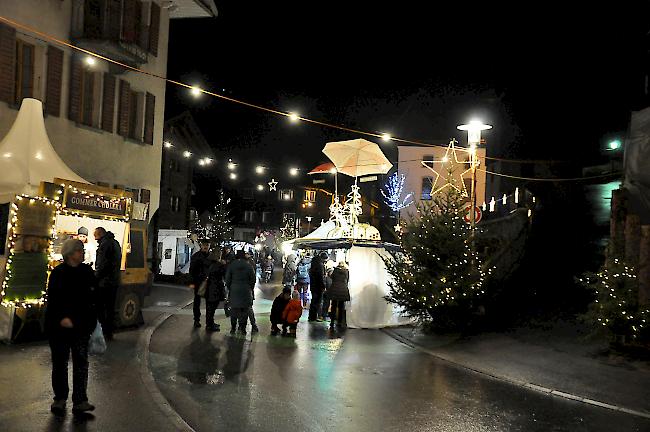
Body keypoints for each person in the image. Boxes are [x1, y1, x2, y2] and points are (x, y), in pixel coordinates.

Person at [46, 239, 97, 415]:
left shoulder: (87, 271)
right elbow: (53, 299)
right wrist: (62, 317)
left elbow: (93, 297)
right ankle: (60, 398)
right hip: (60, 327)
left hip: (81, 326)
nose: (82, 253)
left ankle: (80, 400)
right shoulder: (58, 273)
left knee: (81, 363)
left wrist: (92, 321)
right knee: (60, 363)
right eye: (79, 250)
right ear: (70, 253)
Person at [94, 227, 121, 340]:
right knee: (110, 308)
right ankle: (109, 333)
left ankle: (102, 333)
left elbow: (102, 264)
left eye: (95, 235)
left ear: (99, 234)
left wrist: (96, 277)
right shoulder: (115, 242)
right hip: (114, 281)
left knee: (100, 309)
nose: (94, 238)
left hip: (104, 283)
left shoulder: (104, 245)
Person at [226, 250, 256, 334]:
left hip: (234, 290)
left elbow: (227, 279)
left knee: (234, 310)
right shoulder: (248, 265)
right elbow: (253, 279)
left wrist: (230, 287)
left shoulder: (232, 265)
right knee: (244, 311)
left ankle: (233, 328)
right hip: (246, 290)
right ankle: (243, 328)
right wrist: (249, 288)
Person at [189, 242, 211, 328]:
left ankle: (208, 321)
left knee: (209, 302)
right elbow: (192, 270)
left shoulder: (211, 256)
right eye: (204, 245)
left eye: (207, 245)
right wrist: (192, 282)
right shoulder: (196, 256)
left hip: (209, 282)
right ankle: (196, 320)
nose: (206, 246)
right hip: (198, 281)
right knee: (197, 301)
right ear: (201, 246)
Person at [204, 249, 228, 332]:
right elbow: (224, 274)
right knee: (212, 308)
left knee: (209, 308)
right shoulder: (218, 265)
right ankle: (210, 325)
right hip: (215, 289)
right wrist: (224, 265)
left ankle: (209, 323)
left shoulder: (208, 263)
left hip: (208, 288)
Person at [328, 261, 350, 329]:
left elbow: (331, 277)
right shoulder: (346, 271)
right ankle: (340, 322)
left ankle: (332, 321)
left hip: (335, 290)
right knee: (341, 306)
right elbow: (347, 280)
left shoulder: (335, 271)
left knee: (333, 306)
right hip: (343, 290)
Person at [308, 253, 327, 322]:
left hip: (313, 286)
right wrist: (323, 286)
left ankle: (311, 317)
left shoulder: (313, 265)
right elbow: (321, 278)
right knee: (317, 302)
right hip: (318, 287)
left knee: (313, 301)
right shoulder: (320, 266)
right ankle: (314, 317)